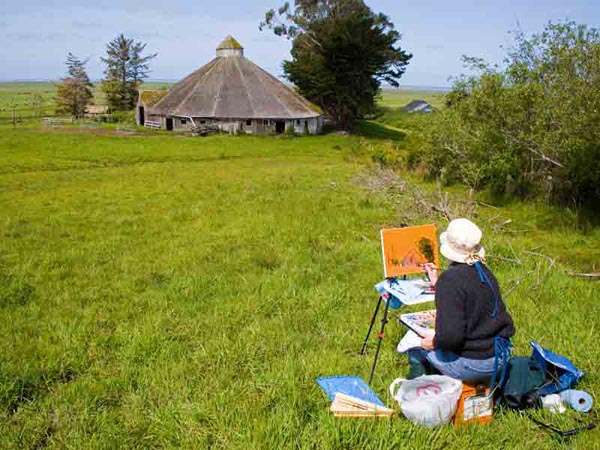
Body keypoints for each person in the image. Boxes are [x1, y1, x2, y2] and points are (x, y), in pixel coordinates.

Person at [407, 218, 515, 381]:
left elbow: (450, 338)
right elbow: (469, 295)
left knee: (415, 346)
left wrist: (432, 342)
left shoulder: (451, 280)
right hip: (501, 355)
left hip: (476, 364)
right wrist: (437, 282)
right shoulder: (483, 272)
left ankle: (422, 395)